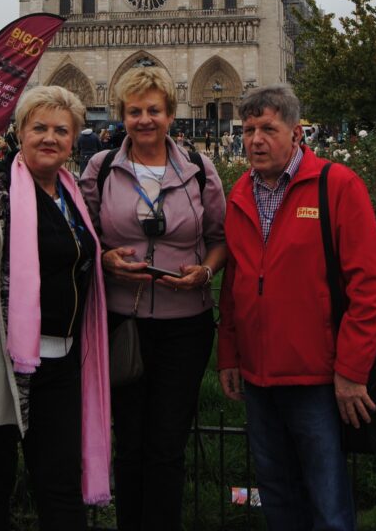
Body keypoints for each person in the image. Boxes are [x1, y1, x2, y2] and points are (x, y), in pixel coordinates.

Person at [0, 85, 111, 531]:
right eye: (39, 128)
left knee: (60, 489)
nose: (50, 138)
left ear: (75, 140)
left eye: (61, 130)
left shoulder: (69, 196)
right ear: (19, 133)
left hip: (61, 366)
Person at [218, 85, 376, 531]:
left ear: (296, 133)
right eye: (249, 129)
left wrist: (351, 371)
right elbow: (235, 284)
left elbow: (371, 287)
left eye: (268, 129)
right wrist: (229, 356)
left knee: (327, 502)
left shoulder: (337, 185)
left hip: (317, 376)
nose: (255, 139)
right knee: (278, 499)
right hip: (259, 377)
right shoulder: (240, 192)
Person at [81, 65, 226, 531]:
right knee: (131, 441)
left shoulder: (200, 171)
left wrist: (205, 270)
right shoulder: (100, 168)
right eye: (135, 111)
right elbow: (83, 235)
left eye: (154, 111)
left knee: (167, 444)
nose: (145, 119)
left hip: (185, 323)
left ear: (171, 115)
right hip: (124, 321)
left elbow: (220, 236)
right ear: (122, 115)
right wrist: (104, 258)